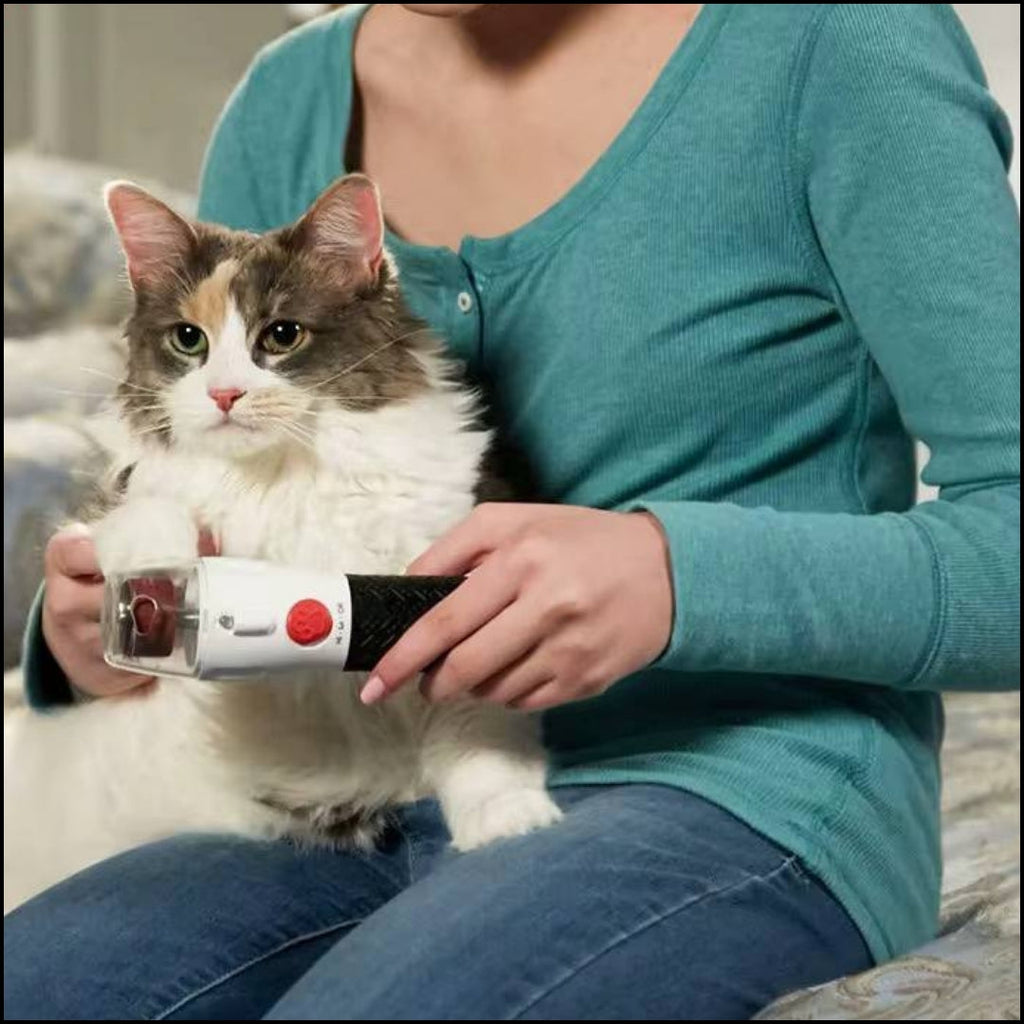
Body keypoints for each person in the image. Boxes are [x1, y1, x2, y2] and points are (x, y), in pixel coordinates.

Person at [4, 4, 1019, 1020]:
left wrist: (677, 579)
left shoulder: (833, 45)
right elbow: (200, 488)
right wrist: (94, 630)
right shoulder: (289, 99)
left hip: (733, 785)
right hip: (326, 788)